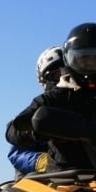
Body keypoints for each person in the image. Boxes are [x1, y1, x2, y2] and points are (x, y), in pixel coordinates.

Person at [6, 22, 96, 171]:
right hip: (65, 180)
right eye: (84, 58)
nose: (91, 64)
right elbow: (13, 130)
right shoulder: (53, 99)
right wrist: (34, 129)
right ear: (69, 59)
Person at [7, 45, 65, 175]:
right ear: (45, 80)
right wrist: (44, 162)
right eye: (58, 75)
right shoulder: (38, 108)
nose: (66, 79)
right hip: (45, 176)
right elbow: (16, 153)